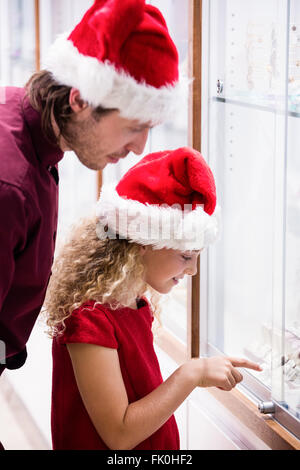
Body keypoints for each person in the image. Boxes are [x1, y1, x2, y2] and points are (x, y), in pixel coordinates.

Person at [0, 0, 180, 381]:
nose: (139, 148)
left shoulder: (24, 122)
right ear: (80, 99)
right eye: (133, 127)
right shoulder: (8, 185)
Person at [45, 147, 262, 450]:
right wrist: (192, 373)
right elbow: (119, 434)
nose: (193, 270)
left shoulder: (136, 302)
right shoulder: (89, 317)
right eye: (186, 256)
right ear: (142, 243)